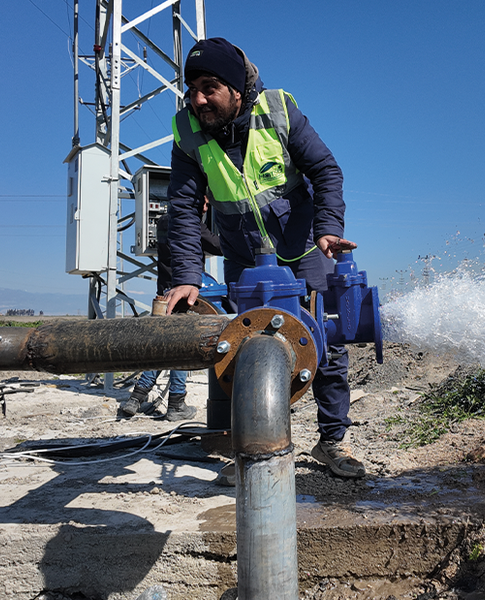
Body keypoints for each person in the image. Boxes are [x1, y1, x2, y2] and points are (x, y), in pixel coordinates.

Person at [163, 37, 365, 478]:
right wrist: (187, 276)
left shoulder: (277, 111)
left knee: (326, 345)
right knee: (244, 348)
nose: (198, 99)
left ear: (237, 89)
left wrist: (329, 228)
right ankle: (257, 445)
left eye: (210, 87)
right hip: (243, 260)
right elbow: (181, 207)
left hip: (305, 249)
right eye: (191, 87)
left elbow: (325, 169)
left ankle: (333, 442)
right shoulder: (187, 133)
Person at [120, 210, 221, 421]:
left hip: (166, 291)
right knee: (182, 346)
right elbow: (217, 246)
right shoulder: (190, 220)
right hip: (185, 291)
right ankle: (176, 403)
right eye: (205, 199)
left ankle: (136, 397)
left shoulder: (163, 221)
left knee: (164, 345)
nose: (206, 204)